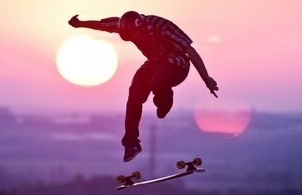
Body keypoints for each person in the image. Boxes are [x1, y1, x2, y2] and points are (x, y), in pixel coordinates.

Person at [68, 11, 218, 162]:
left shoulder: (162, 26)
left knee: (157, 82)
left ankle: (165, 102)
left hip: (178, 65)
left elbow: (190, 51)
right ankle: (131, 143)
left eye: (136, 37)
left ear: (141, 28)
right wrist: (80, 24)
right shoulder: (124, 25)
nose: (136, 40)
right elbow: (103, 25)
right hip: (155, 63)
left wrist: (206, 79)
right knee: (134, 95)